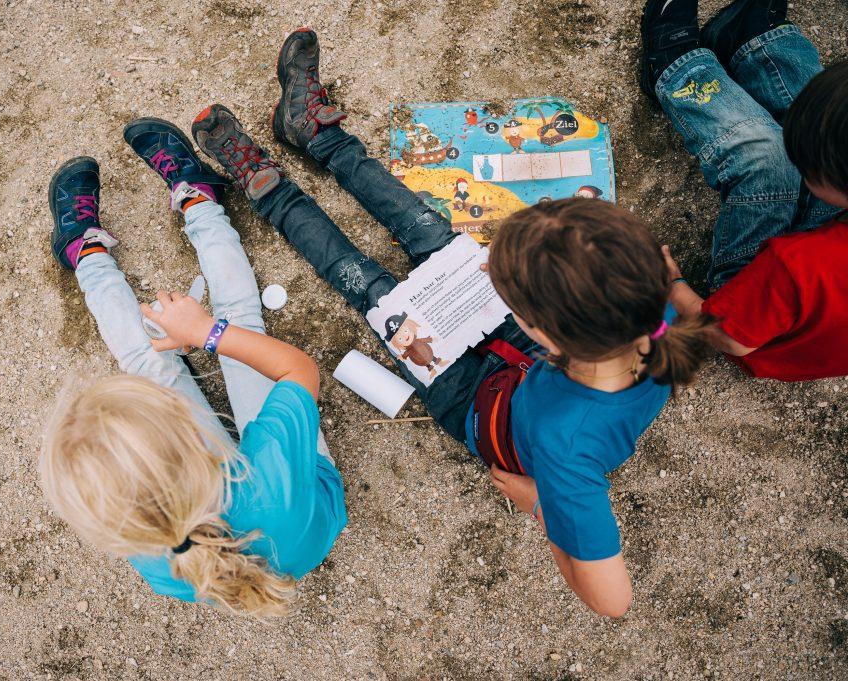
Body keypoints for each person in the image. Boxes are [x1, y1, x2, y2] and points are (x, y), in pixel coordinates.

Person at [188, 28, 710, 616]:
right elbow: (701, 314)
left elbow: (612, 601)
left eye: (503, 283)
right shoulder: (655, 307)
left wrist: (545, 504)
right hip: (530, 369)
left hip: (471, 402)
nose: (487, 266)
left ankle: (270, 191)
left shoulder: (567, 454)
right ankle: (317, 135)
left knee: (360, 279)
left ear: (540, 325)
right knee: (425, 226)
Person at [39, 120, 346, 617]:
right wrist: (207, 334)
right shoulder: (268, 478)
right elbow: (299, 373)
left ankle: (85, 251)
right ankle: (197, 198)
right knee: (238, 320)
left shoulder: (156, 559)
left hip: (263, 508)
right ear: (185, 431)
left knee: (146, 359)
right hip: (298, 496)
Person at [640, 0, 848, 381]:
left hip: (758, 321)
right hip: (811, 299)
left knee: (768, 157)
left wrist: (672, 285)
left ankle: (675, 69)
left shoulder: (796, 268)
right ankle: (757, 44)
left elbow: (729, 337)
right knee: (830, 119)